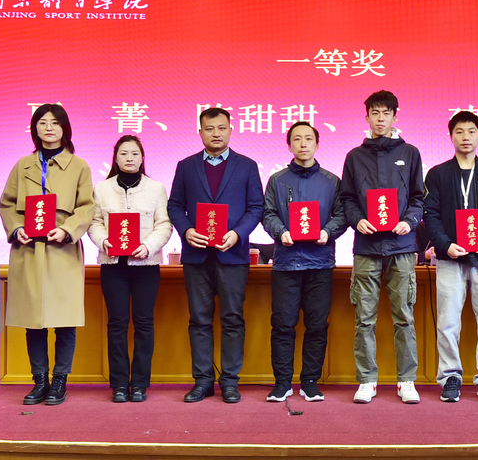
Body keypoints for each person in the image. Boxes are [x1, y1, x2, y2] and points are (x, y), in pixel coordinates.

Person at [0, 104, 94, 406]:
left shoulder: (79, 166)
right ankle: (39, 381)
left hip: (62, 250)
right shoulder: (23, 165)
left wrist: (67, 229)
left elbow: (86, 207)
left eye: (54, 123)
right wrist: (16, 229)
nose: (48, 128)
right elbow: (7, 204)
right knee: (33, 320)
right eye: (42, 122)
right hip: (29, 250)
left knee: (64, 320)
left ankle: (60, 381)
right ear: (34, 128)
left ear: (65, 128)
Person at [167, 107, 264, 404]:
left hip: (232, 254)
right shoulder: (186, 166)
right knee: (199, 319)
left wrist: (238, 234)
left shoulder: (247, 166)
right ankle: (203, 381)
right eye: (209, 129)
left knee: (233, 319)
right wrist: (186, 231)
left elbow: (256, 207)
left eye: (222, 128)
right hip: (196, 256)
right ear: (200, 132)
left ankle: (230, 382)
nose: (216, 134)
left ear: (231, 130)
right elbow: (174, 206)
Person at [340, 90, 424, 404]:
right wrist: (357, 220)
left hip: (401, 246)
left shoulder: (410, 153)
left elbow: (418, 197)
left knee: (404, 317)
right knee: (364, 318)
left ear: (394, 117)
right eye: (374, 113)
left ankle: (406, 380)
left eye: (385, 113)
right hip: (367, 247)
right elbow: (347, 198)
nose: (380, 119)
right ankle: (367, 380)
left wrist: (410, 221)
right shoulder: (354, 156)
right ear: (367, 118)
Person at [423, 110, 478, 403]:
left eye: (471, 131)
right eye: (459, 131)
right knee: (447, 322)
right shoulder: (438, 174)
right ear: (451, 136)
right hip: (450, 259)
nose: (465, 137)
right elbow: (430, 215)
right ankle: (450, 377)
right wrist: (444, 244)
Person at [262, 121, 347, 402]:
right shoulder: (277, 180)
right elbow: (268, 213)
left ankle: (310, 381)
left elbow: (342, 215)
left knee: (317, 325)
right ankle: (282, 382)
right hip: (286, 263)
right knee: (282, 325)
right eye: (297, 139)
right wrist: (281, 232)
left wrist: (327, 232)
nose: (303, 144)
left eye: (308, 138)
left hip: (320, 263)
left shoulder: (331, 181)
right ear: (289, 145)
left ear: (317, 144)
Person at [88, 135, 172, 403]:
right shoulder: (102, 189)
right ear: (115, 158)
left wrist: (148, 246)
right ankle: (119, 384)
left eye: (135, 154)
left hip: (146, 265)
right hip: (113, 265)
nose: (129, 158)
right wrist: (104, 241)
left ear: (142, 158)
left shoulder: (156, 188)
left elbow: (164, 224)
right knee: (117, 324)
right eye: (124, 153)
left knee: (144, 323)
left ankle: (140, 384)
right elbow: (94, 222)